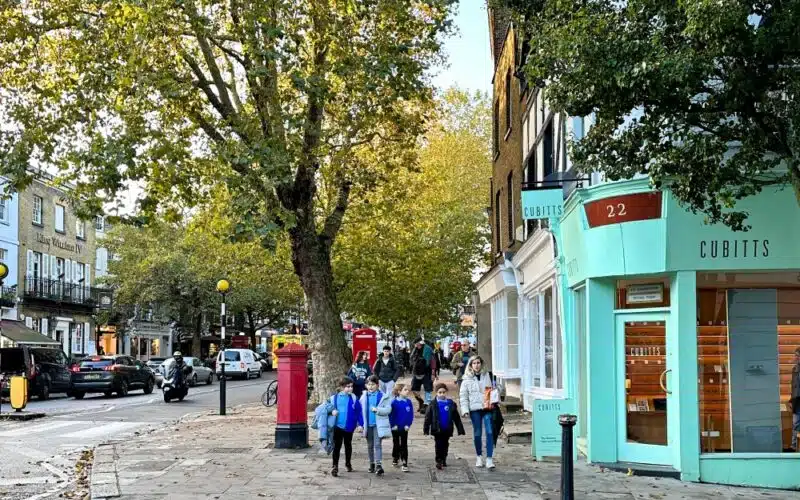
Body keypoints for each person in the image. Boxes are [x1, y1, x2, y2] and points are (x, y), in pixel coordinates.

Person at [459, 356, 497, 469]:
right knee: (477, 433)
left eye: (478, 363)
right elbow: (463, 396)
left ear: (481, 364)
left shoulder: (487, 375)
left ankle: (489, 458)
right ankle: (479, 456)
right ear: (470, 365)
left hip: (487, 408)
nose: (476, 365)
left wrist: (495, 394)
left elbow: (493, 390)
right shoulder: (466, 379)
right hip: (475, 409)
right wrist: (465, 410)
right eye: (474, 363)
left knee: (489, 431)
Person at [424, 382, 465, 470]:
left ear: (446, 392)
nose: (442, 394)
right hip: (437, 429)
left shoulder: (450, 403)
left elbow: (456, 417)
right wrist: (426, 429)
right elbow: (428, 417)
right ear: (436, 393)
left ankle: (444, 458)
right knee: (438, 445)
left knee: (445, 444)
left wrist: (460, 429)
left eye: (443, 392)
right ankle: (439, 460)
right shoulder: (433, 404)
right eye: (440, 392)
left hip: (447, 429)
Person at [329, 377, 363, 477]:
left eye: (351, 386)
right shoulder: (334, 398)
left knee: (348, 445)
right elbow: (325, 408)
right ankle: (335, 466)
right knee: (337, 446)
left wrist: (360, 424)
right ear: (341, 387)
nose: (350, 388)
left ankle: (348, 464)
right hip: (337, 426)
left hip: (349, 426)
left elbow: (359, 412)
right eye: (348, 387)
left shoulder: (354, 398)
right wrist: (331, 411)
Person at [360, 375, 392, 476]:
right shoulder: (363, 397)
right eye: (369, 384)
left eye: (373, 384)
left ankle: (379, 465)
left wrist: (378, 410)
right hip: (368, 425)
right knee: (370, 445)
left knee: (377, 444)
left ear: (377, 385)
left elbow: (388, 409)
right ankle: (371, 463)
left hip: (378, 425)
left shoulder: (383, 396)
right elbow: (360, 412)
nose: (370, 386)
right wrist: (360, 424)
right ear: (366, 385)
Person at [390, 383, 414, 472]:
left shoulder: (408, 402)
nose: (407, 391)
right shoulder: (394, 402)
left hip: (404, 428)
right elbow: (391, 415)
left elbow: (410, 415)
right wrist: (393, 425)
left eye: (408, 390)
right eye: (405, 390)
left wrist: (408, 424)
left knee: (404, 444)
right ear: (399, 391)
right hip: (395, 428)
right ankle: (395, 457)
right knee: (396, 443)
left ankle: (404, 462)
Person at [410, 338, 435, 414]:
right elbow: (411, 358)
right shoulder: (415, 349)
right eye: (415, 344)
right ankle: (421, 401)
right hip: (416, 372)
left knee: (428, 389)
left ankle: (426, 405)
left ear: (420, 343)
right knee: (414, 389)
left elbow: (433, 361)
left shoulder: (428, 349)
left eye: (416, 343)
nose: (415, 345)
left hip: (427, 372)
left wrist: (433, 373)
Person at [792, 348, 800, 450]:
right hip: (797, 400)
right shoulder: (794, 369)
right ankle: (794, 445)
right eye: (795, 355)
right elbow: (793, 386)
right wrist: (791, 399)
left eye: (797, 356)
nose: (795, 357)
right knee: (795, 423)